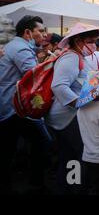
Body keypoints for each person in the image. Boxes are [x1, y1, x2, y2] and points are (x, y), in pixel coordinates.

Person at [45, 22, 99, 195]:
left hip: (66, 118)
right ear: (79, 40)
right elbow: (58, 86)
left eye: (95, 40)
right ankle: (76, 189)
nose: (94, 45)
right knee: (80, 158)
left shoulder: (77, 57)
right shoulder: (71, 58)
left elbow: (79, 84)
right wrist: (81, 103)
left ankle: (66, 189)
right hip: (68, 118)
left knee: (69, 158)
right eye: (90, 40)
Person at [0, 15, 51, 194]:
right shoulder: (21, 49)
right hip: (14, 107)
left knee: (8, 148)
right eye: (41, 31)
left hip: (8, 105)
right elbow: (35, 78)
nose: (44, 35)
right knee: (42, 140)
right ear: (28, 32)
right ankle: (35, 184)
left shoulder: (14, 45)